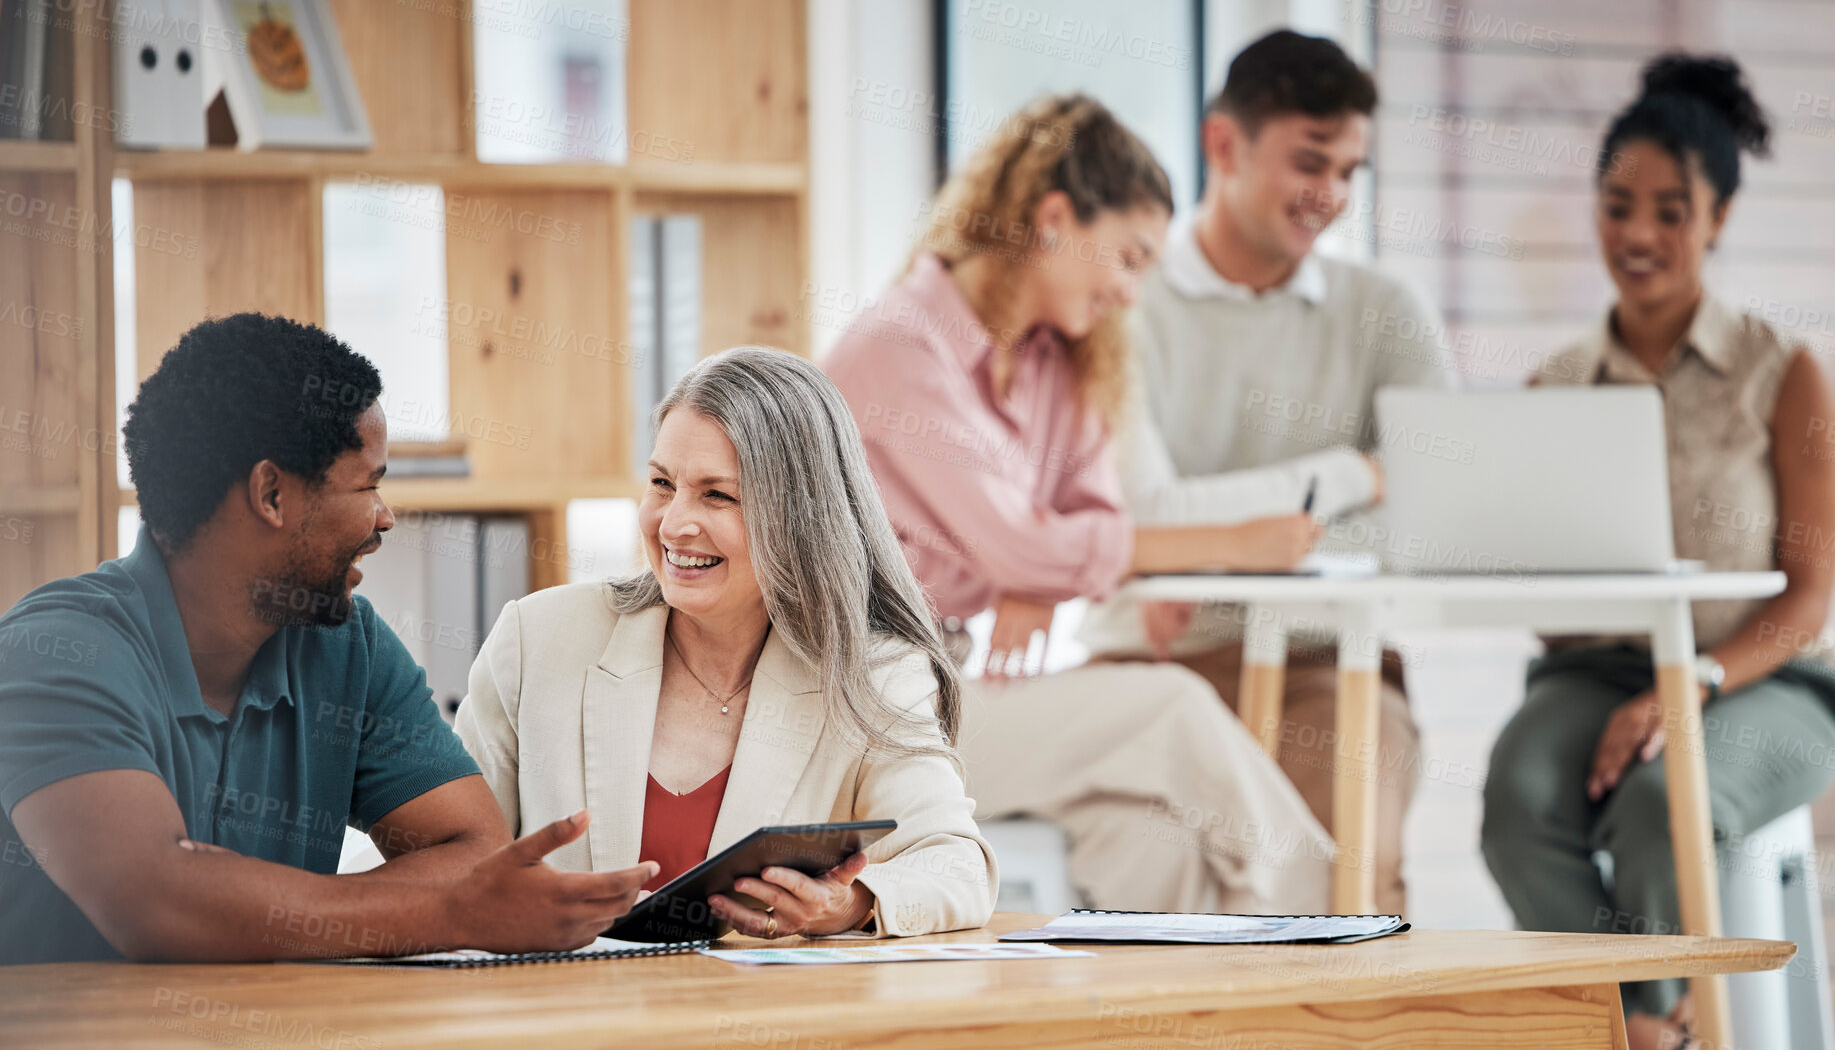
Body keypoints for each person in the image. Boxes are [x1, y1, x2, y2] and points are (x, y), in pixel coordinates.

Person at [0, 314, 657, 965]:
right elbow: (154, 903)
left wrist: (239, 900)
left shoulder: (349, 643)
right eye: (367, 484)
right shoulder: (54, 654)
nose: (385, 517)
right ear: (271, 493)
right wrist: (448, 911)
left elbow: (469, 850)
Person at [823, 93, 1332, 915]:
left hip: (945, 686)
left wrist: (1032, 571)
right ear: (1053, 217)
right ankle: (1339, 926)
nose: (1132, 294)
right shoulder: (902, 346)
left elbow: (1074, 517)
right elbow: (1033, 540)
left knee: (1143, 839)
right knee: (1171, 710)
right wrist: (1228, 541)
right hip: (864, 715)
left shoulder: (1057, 362)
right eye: (1128, 258)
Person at [1481, 54, 1835, 1050]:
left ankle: (1643, 1021)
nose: (1637, 234)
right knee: (1517, 801)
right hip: (1592, 673)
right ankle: (1633, 1017)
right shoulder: (1556, 387)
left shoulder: (1782, 374)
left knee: (1657, 798)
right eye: (1616, 205)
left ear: (1715, 218)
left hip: (1768, 680)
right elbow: (1550, 603)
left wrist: (1684, 692)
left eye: (1669, 210)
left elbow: (1809, 596)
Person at [1076, 31, 1457, 916]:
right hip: (1156, 656)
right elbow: (1142, 511)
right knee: (1158, 877)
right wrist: (1357, 476)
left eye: (1349, 171)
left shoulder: (1385, 314)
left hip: (1332, 659)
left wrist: (1202, 553)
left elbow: (1437, 514)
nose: (1329, 194)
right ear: (1222, 145)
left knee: (1348, 865)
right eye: (1308, 161)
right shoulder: (1126, 301)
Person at [455, 347, 996, 939]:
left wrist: (852, 904)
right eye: (663, 483)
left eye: (718, 495)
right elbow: (436, 860)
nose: (672, 524)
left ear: (802, 518)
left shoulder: (878, 673)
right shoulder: (540, 638)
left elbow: (956, 866)